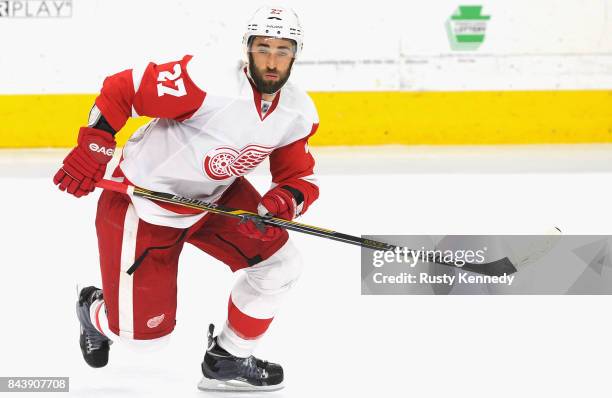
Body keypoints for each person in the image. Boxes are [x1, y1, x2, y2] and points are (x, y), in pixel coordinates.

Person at [54, 6, 319, 392]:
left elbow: (299, 176)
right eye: (263, 48)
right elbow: (123, 88)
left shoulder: (298, 111)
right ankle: (94, 309)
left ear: (296, 53)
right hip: (144, 204)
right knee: (142, 342)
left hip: (216, 198)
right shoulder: (207, 82)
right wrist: (96, 142)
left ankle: (226, 359)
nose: (272, 60)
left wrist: (283, 201)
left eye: (283, 49)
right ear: (247, 49)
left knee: (281, 265)